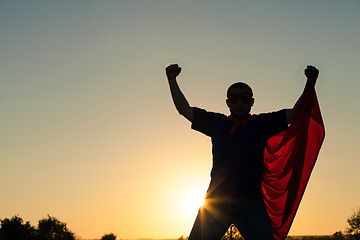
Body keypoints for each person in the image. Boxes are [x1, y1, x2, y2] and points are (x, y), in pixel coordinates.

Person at [166, 64, 319, 240]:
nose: (239, 102)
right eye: (234, 99)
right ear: (227, 102)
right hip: (216, 203)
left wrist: (310, 83)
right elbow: (184, 109)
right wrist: (172, 79)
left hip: (251, 202)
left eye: (244, 98)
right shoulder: (216, 122)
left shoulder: (262, 123)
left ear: (251, 102)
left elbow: (295, 113)